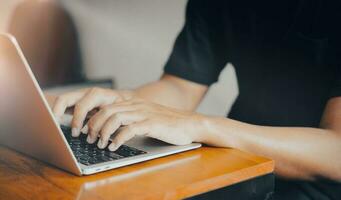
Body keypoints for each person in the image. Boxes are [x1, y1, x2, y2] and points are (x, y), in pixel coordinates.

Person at [52, 0, 341, 199]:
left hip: (314, 188)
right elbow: (180, 86)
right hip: (238, 167)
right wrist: (121, 104)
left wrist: (203, 126)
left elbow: (335, 152)